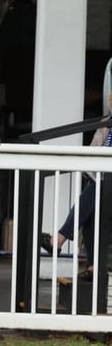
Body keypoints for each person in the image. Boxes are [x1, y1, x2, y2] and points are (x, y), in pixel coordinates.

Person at [41, 99, 112, 282]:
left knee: (92, 195)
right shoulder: (107, 123)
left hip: (107, 182)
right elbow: (94, 151)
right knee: (90, 209)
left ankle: (59, 238)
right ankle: (92, 266)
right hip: (102, 180)